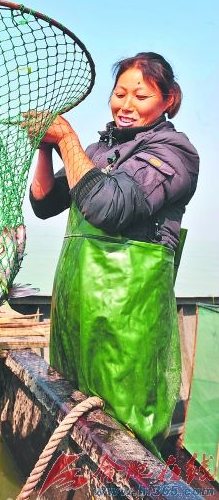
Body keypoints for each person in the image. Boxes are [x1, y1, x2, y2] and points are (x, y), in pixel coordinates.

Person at [23, 52, 199, 458]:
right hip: (78, 313)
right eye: (120, 94)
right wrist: (45, 148)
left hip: (128, 322)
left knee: (126, 423)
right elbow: (45, 203)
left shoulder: (175, 152)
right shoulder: (98, 151)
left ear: (168, 99)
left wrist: (65, 137)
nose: (126, 104)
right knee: (76, 406)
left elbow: (110, 208)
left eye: (141, 95)